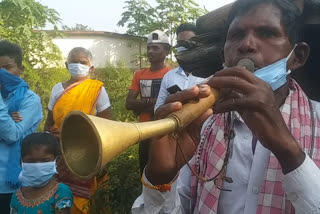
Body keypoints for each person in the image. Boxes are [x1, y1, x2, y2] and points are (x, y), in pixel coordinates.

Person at [132, 0, 320, 213]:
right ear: (224, 57)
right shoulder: (200, 124)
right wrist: (160, 179)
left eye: (267, 33)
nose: (247, 45)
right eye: (236, 35)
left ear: (297, 57)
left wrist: (289, 152)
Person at [44, 47, 111, 214]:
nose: (78, 65)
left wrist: (74, 135)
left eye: (83, 62)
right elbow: (48, 124)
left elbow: (109, 126)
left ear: (91, 67)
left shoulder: (97, 90)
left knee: (89, 203)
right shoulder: (57, 89)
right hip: (61, 155)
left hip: (89, 153)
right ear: (66, 65)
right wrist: (52, 134)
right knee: (61, 200)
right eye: (74, 62)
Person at [0, 40, 42, 214]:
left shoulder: (30, 100)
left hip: (12, 184)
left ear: (20, 70)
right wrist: (7, 119)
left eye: (7, 67)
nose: (1, 73)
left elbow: (12, 134)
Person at [126, 30, 171, 173]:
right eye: (148, 48)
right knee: (144, 170)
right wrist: (156, 103)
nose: (150, 51)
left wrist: (140, 105)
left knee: (164, 171)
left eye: (155, 48)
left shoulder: (172, 75)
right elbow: (129, 103)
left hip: (165, 131)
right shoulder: (139, 74)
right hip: (144, 131)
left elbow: (171, 106)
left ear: (166, 51)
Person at [10, 132, 73, 214]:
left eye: (45, 161)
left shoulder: (61, 192)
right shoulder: (17, 195)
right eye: (31, 161)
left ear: (56, 161)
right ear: (21, 162)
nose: (37, 166)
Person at [154, 23, 205, 112]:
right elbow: (157, 109)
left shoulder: (208, 76)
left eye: (188, 43)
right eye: (180, 43)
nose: (184, 47)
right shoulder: (169, 76)